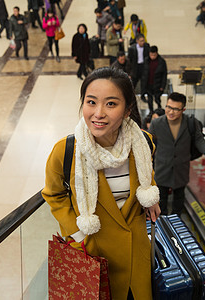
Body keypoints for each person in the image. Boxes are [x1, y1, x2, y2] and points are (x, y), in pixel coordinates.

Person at [42, 67, 160, 300]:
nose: (98, 113)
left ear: (127, 110)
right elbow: (53, 194)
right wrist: (77, 233)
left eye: (111, 104)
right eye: (91, 102)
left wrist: (151, 197)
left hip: (136, 252)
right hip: (93, 252)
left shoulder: (143, 143)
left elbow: (146, 174)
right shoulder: (66, 151)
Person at [149, 92, 205, 215]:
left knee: (179, 199)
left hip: (181, 168)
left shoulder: (191, 123)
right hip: (161, 169)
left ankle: (177, 223)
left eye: (175, 109)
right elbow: (148, 144)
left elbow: (198, 139)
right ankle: (163, 225)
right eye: (168, 107)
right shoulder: (156, 123)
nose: (170, 112)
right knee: (161, 200)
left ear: (183, 109)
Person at [141, 46, 168, 112]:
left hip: (157, 84)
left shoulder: (162, 62)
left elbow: (164, 75)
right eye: (151, 55)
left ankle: (159, 110)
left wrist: (162, 86)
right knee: (149, 100)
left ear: (157, 53)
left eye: (154, 55)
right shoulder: (146, 60)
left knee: (157, 99)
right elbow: (143, 73)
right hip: (148, 84)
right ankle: (151, 112)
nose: (152, 56)